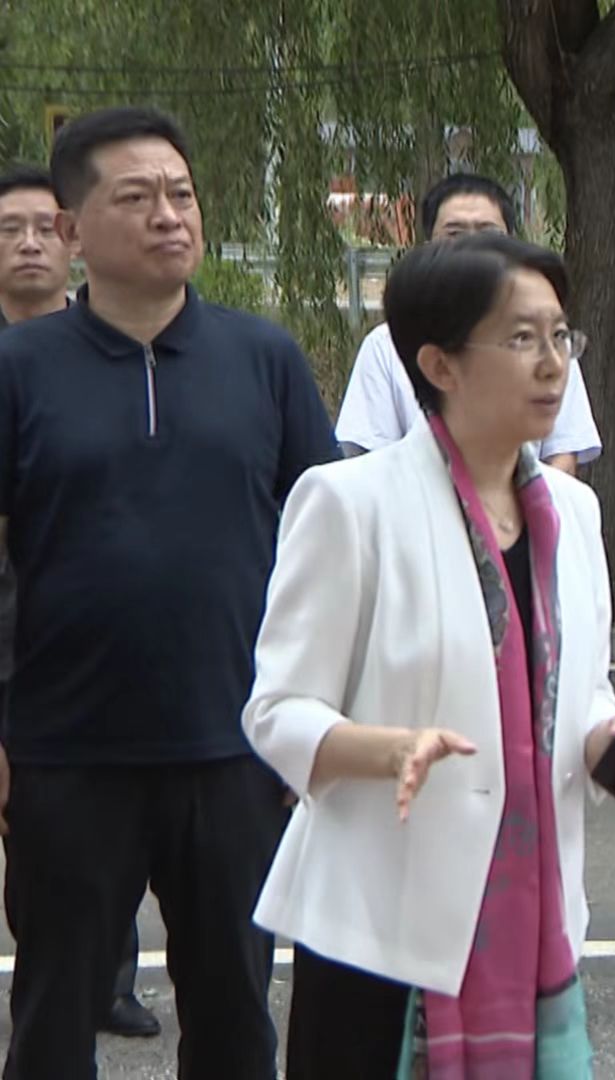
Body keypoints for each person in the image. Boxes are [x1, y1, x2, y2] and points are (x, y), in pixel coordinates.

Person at [244, 231, 615, 1079]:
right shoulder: (350, 503)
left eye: (561, 335)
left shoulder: (572, 513)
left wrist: (614, 746)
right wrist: (388, 748)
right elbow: (276, 711)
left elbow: (581, 694)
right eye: (522, 338)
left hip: (532, 917)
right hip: (382, 927)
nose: (553, 364)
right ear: (440, 365)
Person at [0, 106, 338, 1079]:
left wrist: (311, 721)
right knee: (53, 1019)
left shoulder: (263, 360)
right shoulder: (18, 370)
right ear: (72, 229)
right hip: (65, 754)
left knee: (235, 1019)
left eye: (181, 195)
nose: (168, 216)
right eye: (137, 197)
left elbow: (324, 551)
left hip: (235, 750)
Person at [0, 164, 163, 1043]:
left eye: (42, 227)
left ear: (70, 239)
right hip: (13, 637)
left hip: (102, 643)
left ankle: (112, 980)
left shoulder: (122, 351)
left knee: (115, 818)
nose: (28, 244)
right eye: (8, 229)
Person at [334, 172, 601, 472]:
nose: (473, 250)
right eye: (455, 235)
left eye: (489, 236)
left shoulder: (551, 343)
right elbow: (369, 458)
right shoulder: (386, 345)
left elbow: (563, 451)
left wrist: (533, 500)